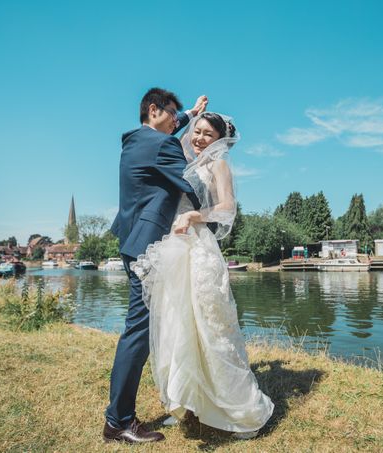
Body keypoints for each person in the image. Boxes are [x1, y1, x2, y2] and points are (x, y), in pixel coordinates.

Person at [131, 112, 274, 439]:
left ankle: (235, 407)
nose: (198, 138)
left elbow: (227, 208)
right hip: (177, 247)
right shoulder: (188, 164)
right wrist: (189, 114)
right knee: (177, 324)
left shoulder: (218, 165)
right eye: (196, 132)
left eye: (207, 134)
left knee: (209, 325)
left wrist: (196, 215)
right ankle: (188, 403)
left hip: (199, 248)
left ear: (220, 140)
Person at [103, 88, 207, 444]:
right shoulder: (163, 147)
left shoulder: (136, 141)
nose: (177, 122)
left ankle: (120, 416)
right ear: (153, 109)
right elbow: (190, 180)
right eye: (172, 115)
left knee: (140, 329)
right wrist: (211, 193)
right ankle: (118, 421)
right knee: (138, 332)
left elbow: (167, 135)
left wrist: (191, 116)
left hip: (132, 240)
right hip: (148, 246)